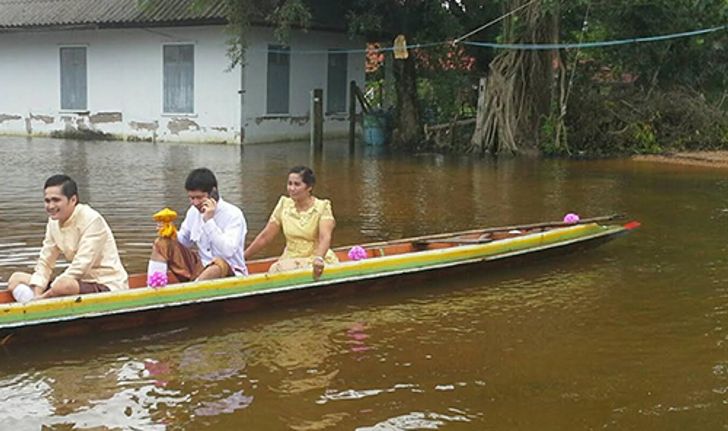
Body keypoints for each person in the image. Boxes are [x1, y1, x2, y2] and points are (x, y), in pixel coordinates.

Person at [7, 175, 128, 303]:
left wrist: (43, 297)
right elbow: (46, 261)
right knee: (16, 279)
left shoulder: (92, 220)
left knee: (62, 285)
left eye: (56, 200)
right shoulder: (54, 222)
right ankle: (34, 302)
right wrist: (37, 290)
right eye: (47, 201)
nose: (51, 206)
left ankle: (37, 304)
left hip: (105, 285)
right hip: (75, 284)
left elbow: (81, 265)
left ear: (73, 200)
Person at [148, 168, 247, 283]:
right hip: (200, 268)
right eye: (191, 198)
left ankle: (191, 293)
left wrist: (209, 221)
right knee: (162, 243)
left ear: (213, 193)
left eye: (199, 197)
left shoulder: (233, 215)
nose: (195, 203)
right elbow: (184, 242)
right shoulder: (193, 212)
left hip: (229, 272)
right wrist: (171, 232)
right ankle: (155, 286)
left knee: (217, 264)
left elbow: (228, 251)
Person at [245, 166, 338, 279]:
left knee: (276, 269)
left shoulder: (322, 207)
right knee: (277, 269)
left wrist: (319, 259)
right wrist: (243, 257)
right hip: (289, 259)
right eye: (290, 184)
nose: (292, 188)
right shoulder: (284, 204)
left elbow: (325, 237)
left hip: (314, 259)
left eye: (297, 184)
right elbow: (265, 237)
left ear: (309, 187)